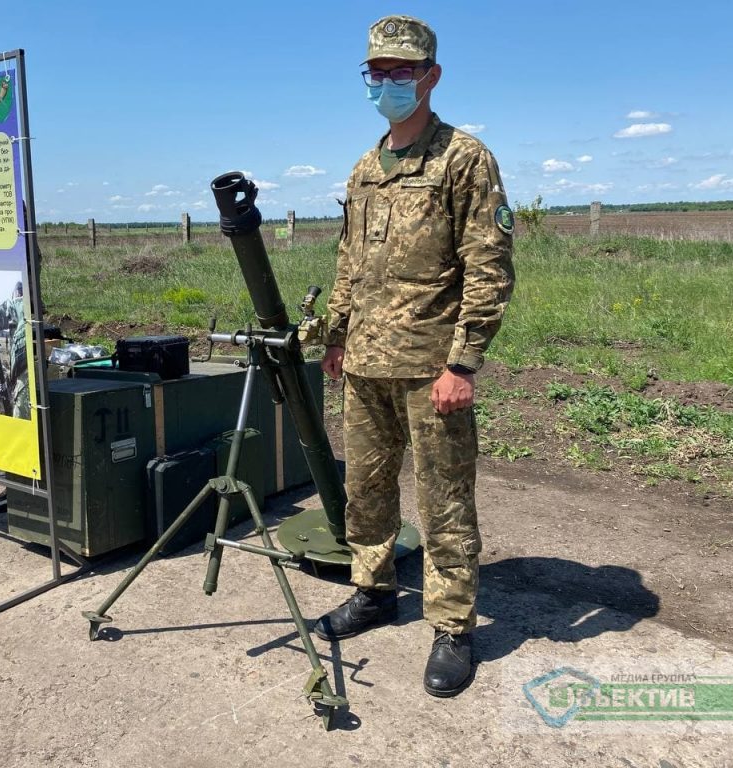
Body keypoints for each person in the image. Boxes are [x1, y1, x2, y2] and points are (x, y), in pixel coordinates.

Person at [316, 15, 515, 698]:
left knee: (444, 499)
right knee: (367, 490)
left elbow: (488, 268)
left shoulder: (464, 157)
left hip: (432, 369)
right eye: (378, 72)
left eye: (402, 71)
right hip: (367, 363)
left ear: (430, 76)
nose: (388, 83)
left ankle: (454, 628)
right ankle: (373, 590)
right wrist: (336, 335)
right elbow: (349, 261)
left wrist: (463, 364)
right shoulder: (366, 166)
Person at [0, 279, 31, 419]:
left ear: (16, 293)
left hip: (25, 372)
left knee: (20, 420)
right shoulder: (35, 306)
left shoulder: (16, 303)